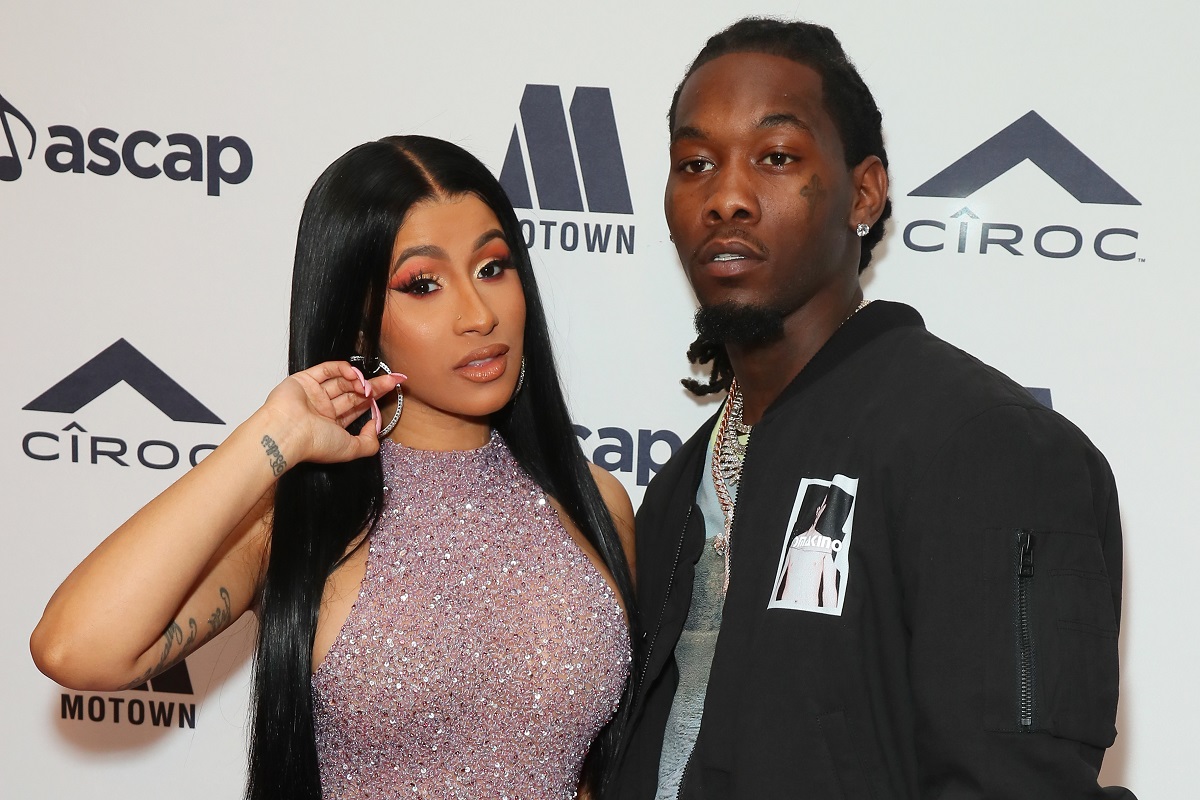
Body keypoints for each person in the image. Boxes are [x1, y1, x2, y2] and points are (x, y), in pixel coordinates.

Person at [613, 18, 1134, 800]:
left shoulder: (986, 446)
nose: (727, 198)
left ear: (864, 192)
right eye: (696, 164)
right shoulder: (675, 490)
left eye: (776, 157)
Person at [30, 135, 637, 800]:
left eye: (492, 268)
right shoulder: (294, 516)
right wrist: (271, 438)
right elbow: (76, 649)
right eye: (423, 284)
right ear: (357, 319)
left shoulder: (594, 502)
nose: (479, 314)